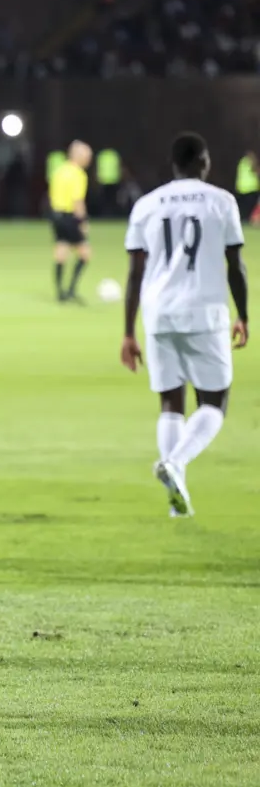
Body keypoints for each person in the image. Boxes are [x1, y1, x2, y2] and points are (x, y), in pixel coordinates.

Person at [121, 132, 248, 517]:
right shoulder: (222, 202)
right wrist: (244, 314)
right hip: (205, 312)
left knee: (170, 403)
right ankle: (175, 464)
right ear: (204, 162)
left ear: (173, 164)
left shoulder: (147, 204)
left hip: (159, 313)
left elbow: (135, 273)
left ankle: (178, 501)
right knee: (215, 403)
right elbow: (234, 265)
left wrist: (128, 331)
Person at [49, 140, 93, 303]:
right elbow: (77, 201)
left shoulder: (59, 171)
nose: (89, 159)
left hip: (56, 215)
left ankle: (60, 292)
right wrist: (82, 221)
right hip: (70, 216)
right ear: (78, 156)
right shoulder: (78, 174)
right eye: (87, 156)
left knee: (61, 249)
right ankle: (71, 290)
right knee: (85, 254)